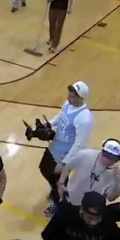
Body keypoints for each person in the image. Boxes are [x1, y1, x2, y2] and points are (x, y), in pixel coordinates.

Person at [37, 81, 94, 212]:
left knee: (60, 181)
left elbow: (79, 144)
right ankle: (55, 192)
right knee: (44, 168)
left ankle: (60, 205)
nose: (68, 98)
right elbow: (60, 117)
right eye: (69, 94)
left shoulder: (84, 118)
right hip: (54, 147)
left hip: (65, 154)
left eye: (72, 96)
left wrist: (65, 163)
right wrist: (49, 124)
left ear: (80, 98)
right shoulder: (68, 104)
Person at [55, 139, 120, 213]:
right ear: (102, 151)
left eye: (113, 159)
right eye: (106, 156)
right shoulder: (85, 155)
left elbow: (111, 198)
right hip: (70, 198)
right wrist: (61, 183)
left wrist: (117, 183)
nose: (109, 161)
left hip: (91, 209)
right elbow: (68, 167)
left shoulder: (116, 174)